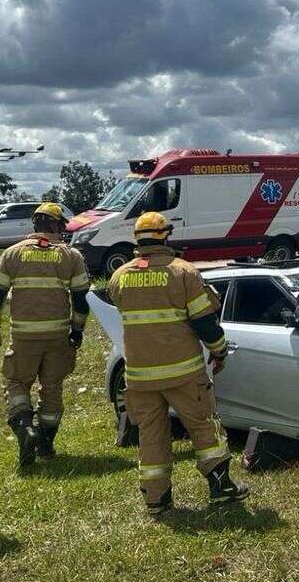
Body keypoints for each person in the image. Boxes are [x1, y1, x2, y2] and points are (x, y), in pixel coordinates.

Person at [106, 211, 247, 516]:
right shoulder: (183, 273)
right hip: (183, 372)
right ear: (166, 236)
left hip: (140, 378)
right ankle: (221, 487)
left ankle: (156, 500)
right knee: (204, 427)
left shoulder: (120, 277)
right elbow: (204, 323)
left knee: (151, 436)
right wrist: (220, 351)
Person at [0, 202, 90, 469]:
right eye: (61, 225)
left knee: (17, 383)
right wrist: (77, 331)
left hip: (23, 337)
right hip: (58, 336)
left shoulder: (12, 254)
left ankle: (24, 429)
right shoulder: (71, 256)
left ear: (35, 224)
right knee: (52, 389)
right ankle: (45, 443)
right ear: (54, 225)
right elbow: (80, 300)